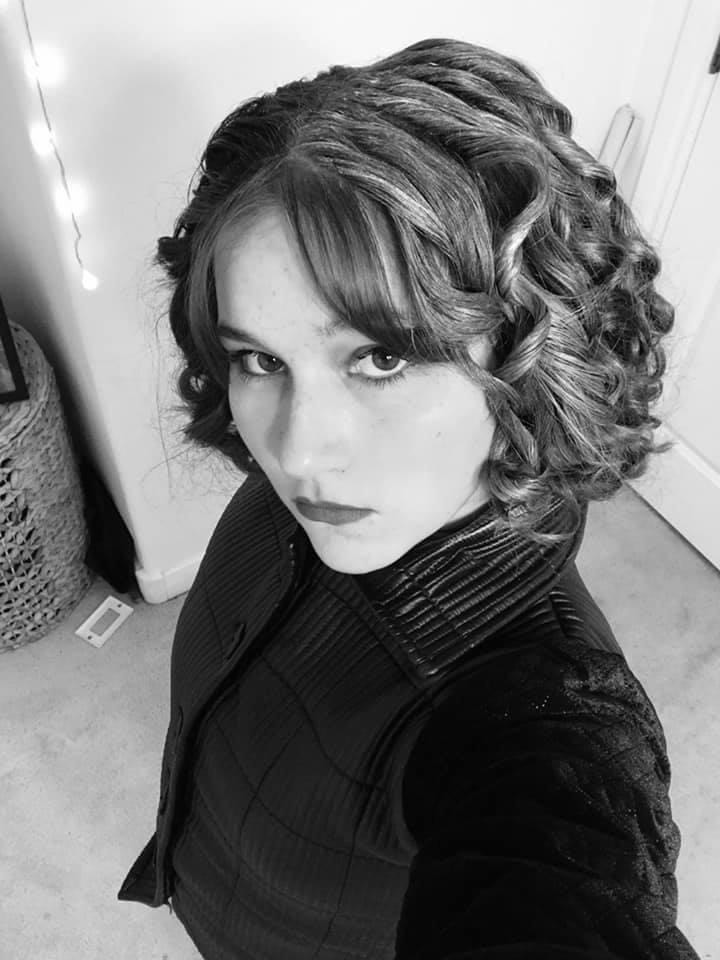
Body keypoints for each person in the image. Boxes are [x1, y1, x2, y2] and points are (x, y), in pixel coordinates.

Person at [118, 37, 701, 959]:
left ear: (528, 357)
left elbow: (561, 871)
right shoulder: (313, 488)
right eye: (261, 358)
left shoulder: (543, 711)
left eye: (382, 357)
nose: (297, 451)